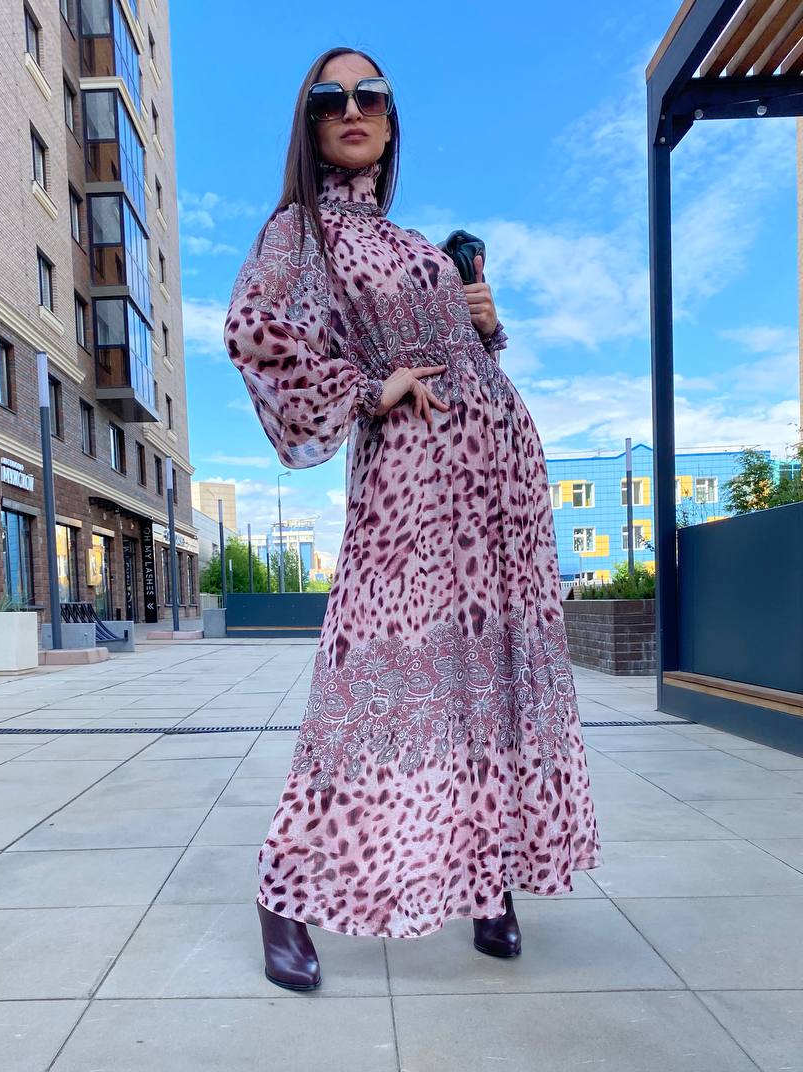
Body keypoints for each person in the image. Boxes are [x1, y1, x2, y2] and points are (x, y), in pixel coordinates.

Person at [223, 46, 602, 991]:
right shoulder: (300, 232)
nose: (352, 109)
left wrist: (483, 322)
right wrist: (366, 387)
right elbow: (254, 332)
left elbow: (465, 352)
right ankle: (284, 890)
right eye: (331, 98)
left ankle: (486, 880)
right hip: (412, 481)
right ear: (311, 123)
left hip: (499, 480)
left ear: (391, 123)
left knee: (488, 678)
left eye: (372, 96)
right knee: (373, 685)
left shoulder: (414, 240)